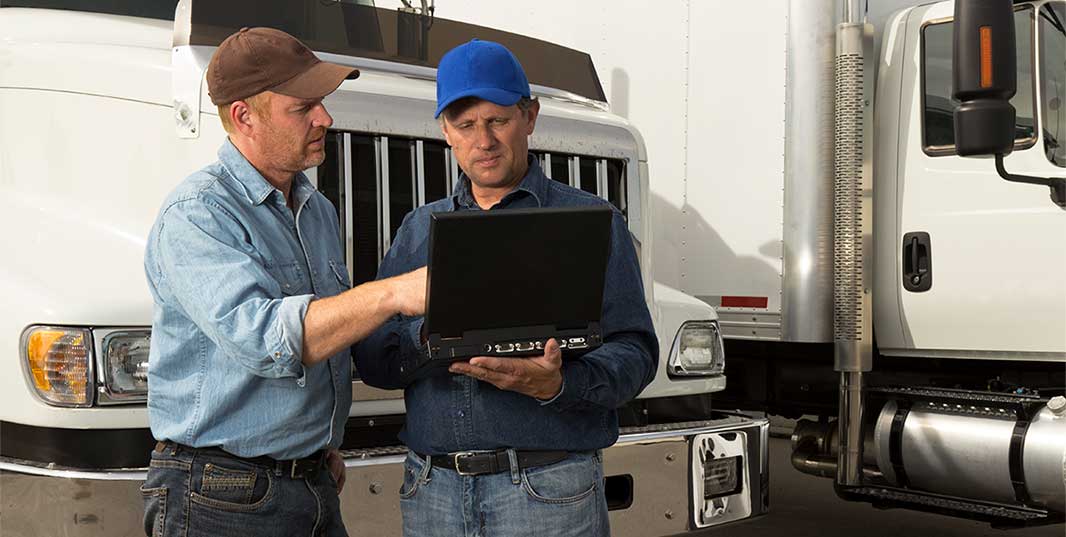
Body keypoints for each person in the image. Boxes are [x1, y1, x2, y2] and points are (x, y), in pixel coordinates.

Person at [355, 39, 658, 537]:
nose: (484, 141)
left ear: (530, 116)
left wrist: (559, 385)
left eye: (498, 120)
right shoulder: (418, 228)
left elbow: (636, 351)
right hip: (433, 491)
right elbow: (373, 358)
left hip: (548, 489)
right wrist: (434, 336)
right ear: (445, 131)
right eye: (466, 125)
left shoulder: (592, 222)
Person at [141, 27, 425, 537]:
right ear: (244, 117)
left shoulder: (316, 210)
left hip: (308, 483)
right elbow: (266, 339)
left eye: (322, 103)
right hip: (221, 498)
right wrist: (393, 292)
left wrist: (315, 445)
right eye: (304, 107)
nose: (326, 118)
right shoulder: (198, 214)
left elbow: (325, 338)